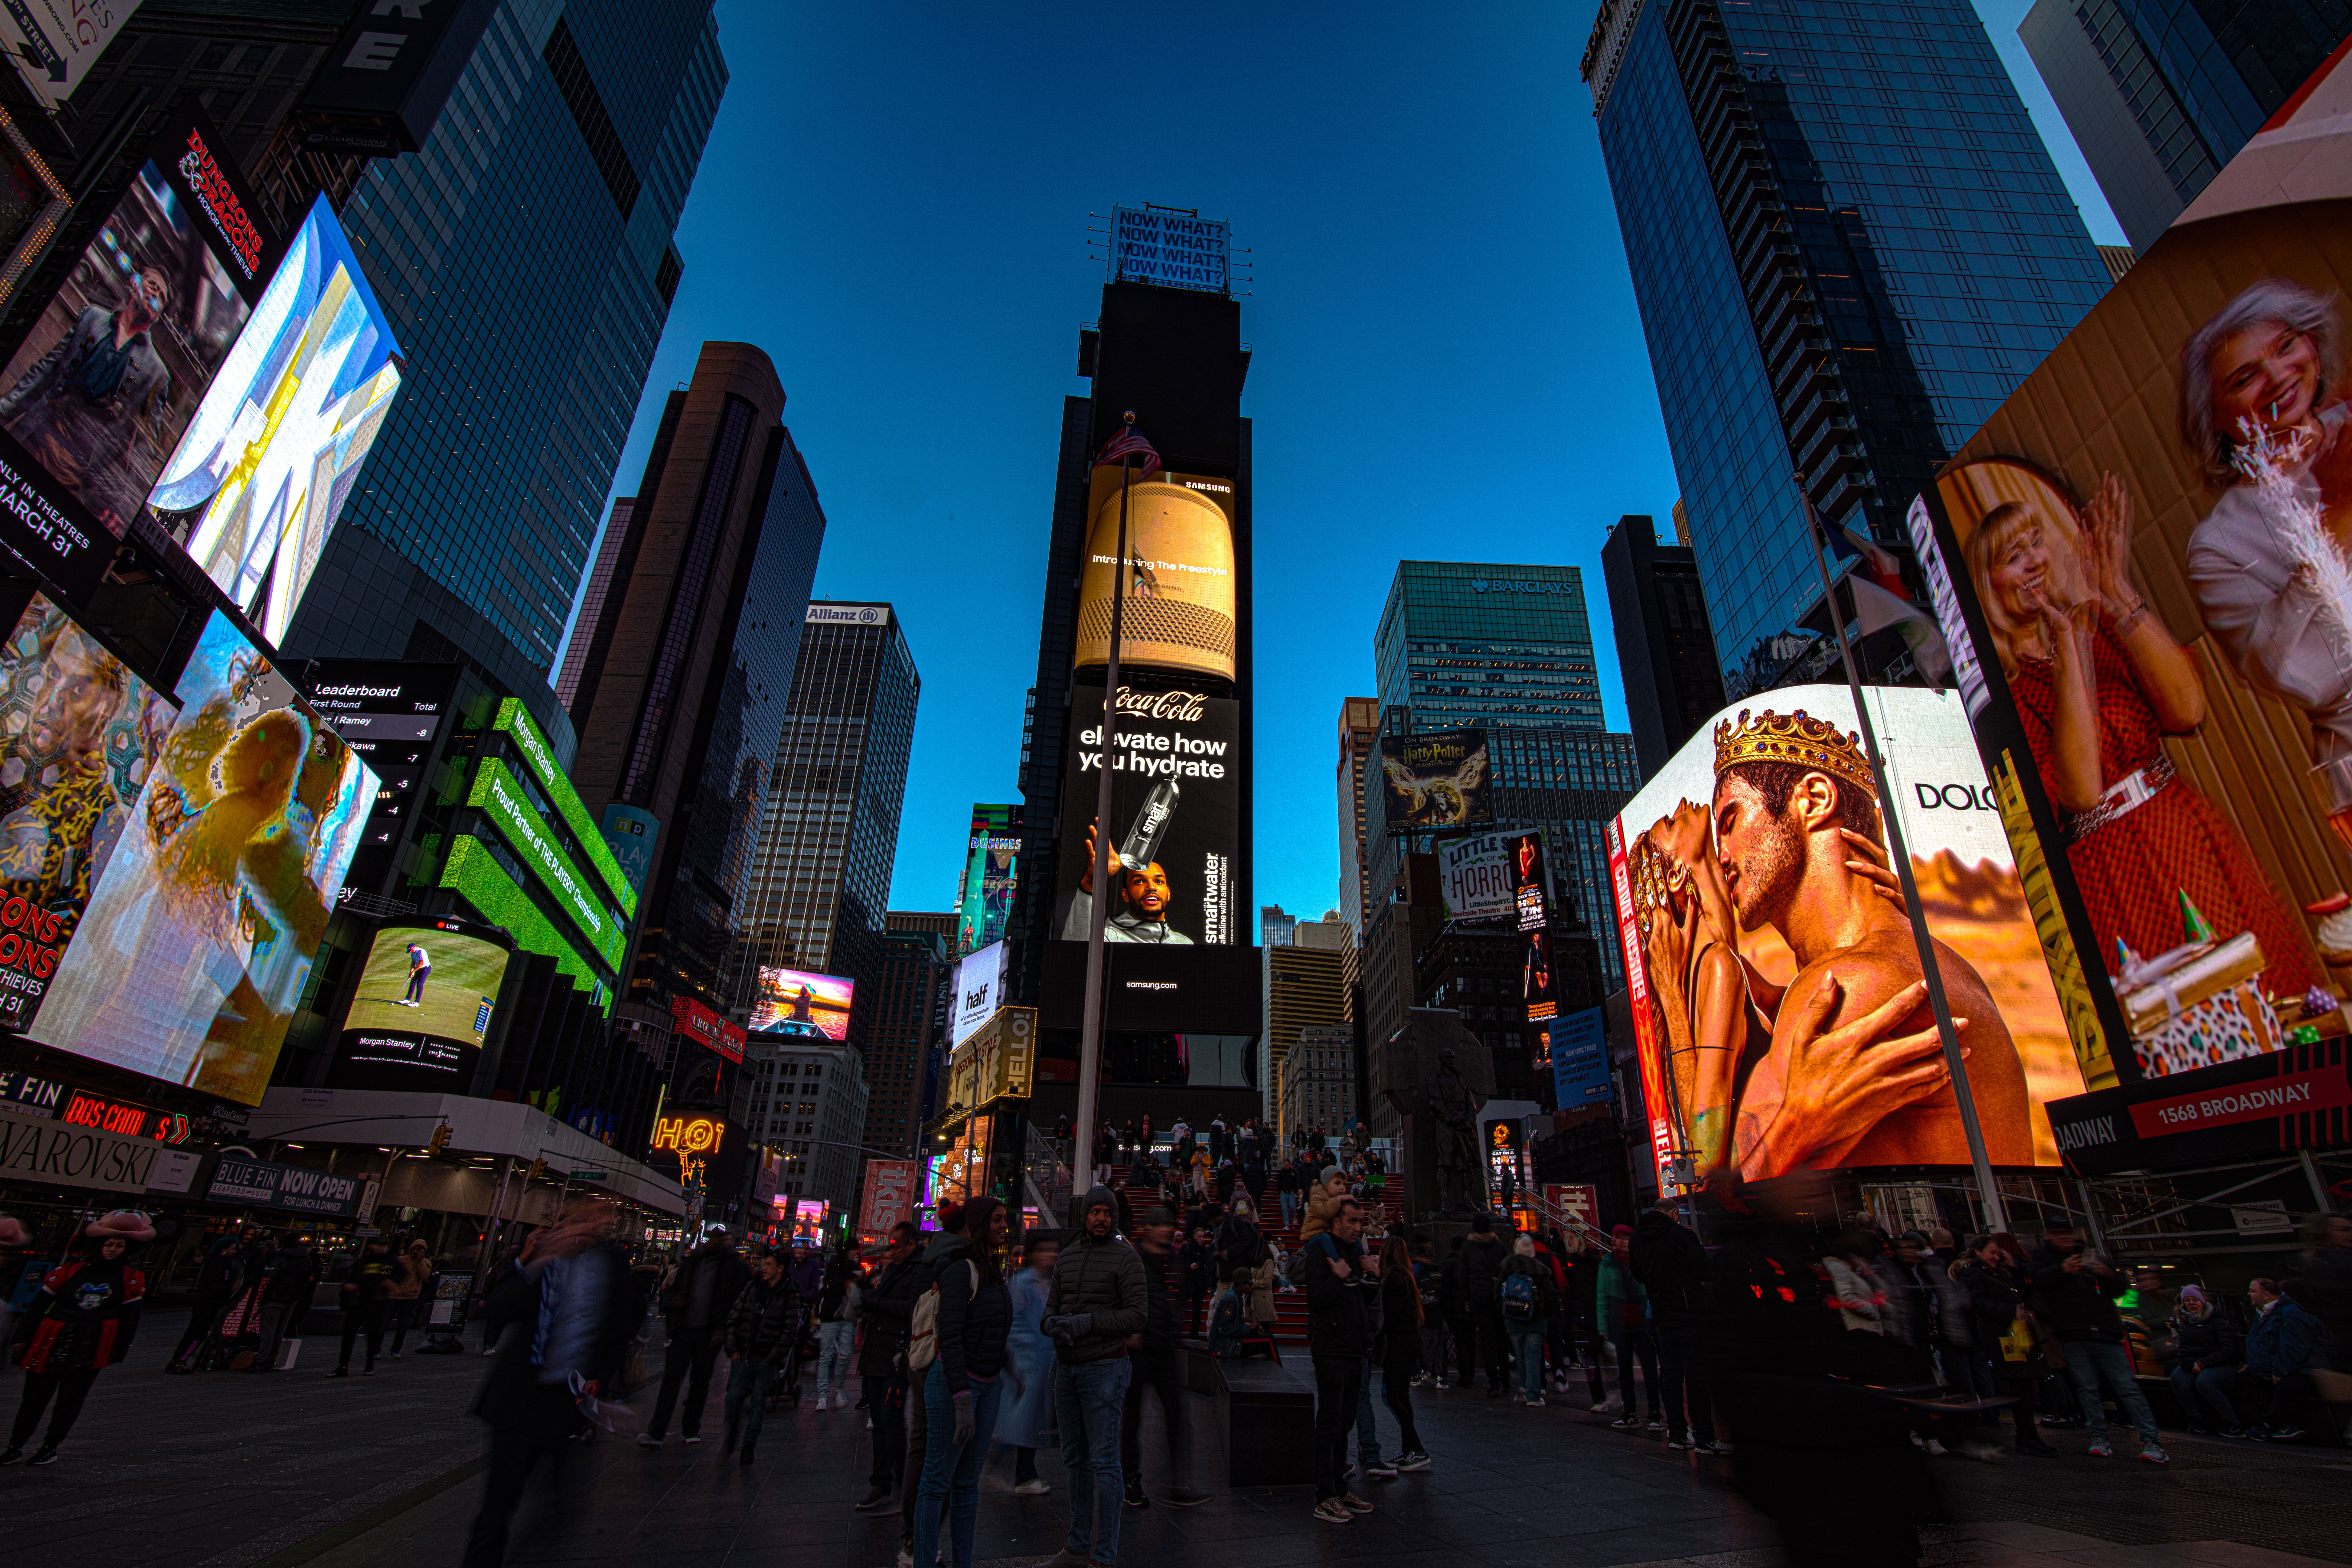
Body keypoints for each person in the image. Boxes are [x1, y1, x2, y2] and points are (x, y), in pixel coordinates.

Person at [1965, 483, 2320, 1000]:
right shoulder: (2006, 697)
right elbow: (2080, 791)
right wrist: (2069, 645)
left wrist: (2115, 589)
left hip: (2182, 829)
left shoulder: (2104, 629)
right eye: (2012, 557)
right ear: (1986, 586)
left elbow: (2187, 708)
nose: (2033, 562)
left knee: (2263, 983)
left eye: (2035, 543)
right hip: (2108, 868)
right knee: (2177, 1015)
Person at [1708, 709, 2033, 1172]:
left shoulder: (1843, 984)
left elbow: (1720, 1199)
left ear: (1815, 799)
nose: (1721, 856)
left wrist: (1796, 1124)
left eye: (1730, 821)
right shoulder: (1933, 962)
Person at [2180, 279, 2352, 828]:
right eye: (2244, 378)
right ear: (2217, 421)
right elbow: (2298, 676)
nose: (2277, 376)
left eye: (2284, 347)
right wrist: (2333, 522)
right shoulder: (2219, 543)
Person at [462, 1197, 637, 1568]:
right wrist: (530, 1261)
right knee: (497, 1508)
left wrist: (600, 1390)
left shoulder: (613, 1263)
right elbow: (493, 1310)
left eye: (600, 1218)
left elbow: (618, 1327)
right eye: (583, 1217)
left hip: (569, 1404)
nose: (591, 1225)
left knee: (565, 1503)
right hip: (520, 1402)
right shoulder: (544, 1257)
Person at [0, 265, 173, 530]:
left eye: (161, 296)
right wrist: (5, 409)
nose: (155, 293)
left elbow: (144, 448)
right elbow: (46, 371)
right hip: (38, 437)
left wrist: (122, 509)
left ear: (158, 315)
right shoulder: (91, 317)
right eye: (152, 284)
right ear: (134, 282)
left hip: (78, 472)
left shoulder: (156, 373)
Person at [1041, 1187, 1146, 1568]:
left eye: (1106, 1212)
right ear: (1084, 1215)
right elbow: (1053, 1303)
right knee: (1074, 1458)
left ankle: (1105, 1554)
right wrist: (1050, 1323)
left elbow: (1136, 1316)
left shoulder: (1126, 1259)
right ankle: (1077, 1542)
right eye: (1094, 1211)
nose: (1100, 1218)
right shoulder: (1067, 1257)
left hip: (1105, 1366)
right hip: (1066, 1367)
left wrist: (1087, 1323)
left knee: (1104, 1459)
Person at [4, 1211, 150, 1465]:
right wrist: (22, 1338)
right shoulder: (69, 1271)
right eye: (109, 1244)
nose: (113, 1249)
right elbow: (37, 1307)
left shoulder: (130, 1278)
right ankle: (16, 1446)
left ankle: (50, 1447)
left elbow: (131, 1317)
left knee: (71, 1399)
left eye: (119, 1245)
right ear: (98, 1245)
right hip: (52, 1338)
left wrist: (121, 1347)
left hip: (92, 1344)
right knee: (34, 1398)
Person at [915, 1197, 1013, 1568]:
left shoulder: (992, 1267)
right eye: (998, 1220)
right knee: (936, 1481)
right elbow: (950, 1335)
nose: (1005, 1226)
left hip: (988, 1385)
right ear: (980, 1224)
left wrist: (1004, 1368)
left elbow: (992, 1326)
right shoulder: (961, 1270)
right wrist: (960, 1397)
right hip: (956, 1385)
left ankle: (963, 1561)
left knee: (967, 1482)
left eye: (1006, 1220)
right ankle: (924, 1560)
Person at [2027, 1223, 2167, 1462]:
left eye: (2066, 1233)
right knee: (2087, 1389)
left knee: (2126, 1388)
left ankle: (2152, 1440)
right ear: (2048, 1236)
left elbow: (2118, 1287)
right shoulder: (2043, 1259)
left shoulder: (2090, 1254)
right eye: (2057, 1233)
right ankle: (2099, 1437)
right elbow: (2037, 1281)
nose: (2064, 1238)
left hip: (2104, 1331)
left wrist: (2108, 1274)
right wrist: (2062, 1269)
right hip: (2074, 1334)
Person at [1118, 1204, 1205, 1508]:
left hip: (1165, 1348)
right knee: (1132, 1418)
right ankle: (1130, 1480)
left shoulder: (1175, 1261)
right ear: (1148, 1229)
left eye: (1170, 1224)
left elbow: (1181, 1296)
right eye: (1161, 1224)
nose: (1168, 1229)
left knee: (1176, 1414)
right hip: (1138, 1349)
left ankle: (1178, 1483)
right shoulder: (1135, 1260)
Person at [1303, 1195, 1377, 1523]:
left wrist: (1373, 1276)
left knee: (1345, 1421)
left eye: (1360, 1222)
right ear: (1336, 1222)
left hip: (1353, 1347)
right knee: (1330, 1422)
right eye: (1352, 1221)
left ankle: (1338, 1485)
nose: (1358, 1227)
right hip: (1331, 1347)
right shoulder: (1322, 1250)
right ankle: (1324, 1495)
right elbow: (1315, 1300)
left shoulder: (1355, 1251)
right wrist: (1336, 1277)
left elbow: (1360, 1297)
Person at [640, 1228, 749, 1446]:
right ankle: (657, 1430)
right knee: (672, 1378)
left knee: (700, 1381)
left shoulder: (732, 1267)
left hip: (709, 1334)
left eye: (719, 1239)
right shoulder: (694, 1262)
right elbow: (674, 1289)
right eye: (711, 1239)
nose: (712, 1243)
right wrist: (673, 1303)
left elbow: (737, 1300)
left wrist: (724, 1329)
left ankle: (691, 1428)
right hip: (684, 1329)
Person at [1955, 1236, 2056, 1456]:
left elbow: (2025, 1293)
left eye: (1998, 1253)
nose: (1996, 1256)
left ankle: (2028, 1436)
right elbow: (1977, 1304)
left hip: (2016, 1334)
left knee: (2026, 1384)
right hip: (2002, 1336)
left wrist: (2016, 1269)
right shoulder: (1973, 1273)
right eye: (1992, 1252)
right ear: (1978, 1252)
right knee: (2020, 1384)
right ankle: (2027, 1437)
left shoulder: (1998, 1273)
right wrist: (2012, 1312)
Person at [1632, 1197, 1717, 1450]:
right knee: (1695, 1376)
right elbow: (1702, 1270)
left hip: (1659, 1313)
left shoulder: (1638, 1239)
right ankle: (1704, 1436)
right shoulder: (1681, 1235)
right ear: (1674, 1214)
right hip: (1688, 1312)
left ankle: (1677, 1433)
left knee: (1670, 1374)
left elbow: (1638, 1274)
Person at [855, 1223, 924, 1512]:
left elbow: (913, 1309)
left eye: (896, 1245)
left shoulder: (919, 1269)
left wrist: (877, 1302)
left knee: (890, 1417)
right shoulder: (895, 1269)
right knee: (880, 1420)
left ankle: (897, 1482)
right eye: (891, 1246)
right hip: (877, 1353)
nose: (892, 1250)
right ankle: (883, 1482)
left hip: (897, 1355)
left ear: (911, 1244)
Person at [721, 1248, 798, 1464]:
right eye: (764, 1264)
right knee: (732, 1398)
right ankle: (733, 1430)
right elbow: (734, 1317)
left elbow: (789, 1330)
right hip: (744, 1355)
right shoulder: (752, 1288)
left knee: (758, 1402)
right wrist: (732, 1348)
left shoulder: (789, 1295)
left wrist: (772, 1358)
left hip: (766, 1359)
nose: (763, 1268)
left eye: (769, 1265)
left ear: (780, 1269)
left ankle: (749, 1445)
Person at [1061, 821, 1196, 943]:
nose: (1151, 887)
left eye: (1159, 882)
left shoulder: (1184, 944)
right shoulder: (1108, 938)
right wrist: (1091, 882)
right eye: (1139, 882)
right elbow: (1075, 952)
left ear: (1168, 894)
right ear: (1125, 895)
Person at [999, 1230, 1059, 1494]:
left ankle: (1023, 1471)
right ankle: (1023, 1475)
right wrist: (1026, 1353)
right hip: (1029, 1362)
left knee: (1032, 1419)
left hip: (1044, 1360)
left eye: (1053, 1250)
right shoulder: (1023, 1282)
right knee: (1027, 1418)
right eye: (1045, 1250)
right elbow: (1015, 1322)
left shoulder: (1048, 1282)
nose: (1050, 1255)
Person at [2240, 1276, 2331, 1442]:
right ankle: (2283, 1425)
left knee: (2285, 1385)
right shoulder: (2262, 1315)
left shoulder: (2292, 1314)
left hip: (2306, 1370)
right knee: (2246, 1378)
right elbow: (2260, 1344)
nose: (2249, 1294)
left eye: (2253, 1291)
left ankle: (2269, 1426)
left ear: (2267, 1296)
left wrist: (2280, 1371)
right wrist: (2252, 1364)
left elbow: (2293, 1347)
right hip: (2284, 1367)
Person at [1375, 1232, 1430, 1469]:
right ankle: (1409, 1448)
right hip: (1409, 1340)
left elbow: (1387, 1314)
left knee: (1391, 1396)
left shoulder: (1394, 1277)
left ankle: (1417, 1448)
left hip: (1398, 1342)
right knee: (1402, 1397)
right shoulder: (1406, 1275)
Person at [1599, 1225, 1660, 1431]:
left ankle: (1654, 1413)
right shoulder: (1608, 1262)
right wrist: (1603, 1324)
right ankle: (1630, 1412)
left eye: (1623, 1238)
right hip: (1621, 1323)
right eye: (1616, 1237)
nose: (1618, 1241)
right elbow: (1602, 1295)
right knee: (1625, 1372)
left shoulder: (1640, 1259)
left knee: (1650, 1371)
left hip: (1642, 1322)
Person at [2164, 1285, 2244, 1436]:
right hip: (2198, 1365)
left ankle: (2234, 1423)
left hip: (2224, 1366)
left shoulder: (2218, 1322)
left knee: (2205, 1382)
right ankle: (2196, 1420)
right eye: (2187, 1300)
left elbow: (2230, 1351)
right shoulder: (2185, 1324)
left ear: (2203, 1303)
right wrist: (2189, 1364)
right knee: (2178, 1378)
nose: (2191, 1303)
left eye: (2195, 1300)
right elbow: (2184, 1351)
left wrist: (2203, 1363)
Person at [171, 1234, 245, 1372]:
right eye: (232, 1249)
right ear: (223, 1250)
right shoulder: (218, 1264)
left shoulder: (222, 1264)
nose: (235, 1252)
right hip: (208, 1303)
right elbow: (213, 1285)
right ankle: (179, 1361)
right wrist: (231, 1288)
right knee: (196, 1334)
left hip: (210, 1303)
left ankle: (179, 1360)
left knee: (196, 1333)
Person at [1498, 1234, 1557, 1406]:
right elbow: (1552, 1295)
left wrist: (1505, 1313)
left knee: (1520, 1355)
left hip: (1513, 1320)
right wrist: (1545, 1314)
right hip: (1535, 1320)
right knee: (1533, 1356)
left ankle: (1523, 1389)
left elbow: (1496, 1293)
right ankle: (1533, 1396)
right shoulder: (1540, 1270)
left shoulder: (1507, 1270)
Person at [1458, 1213, 1509, 1397]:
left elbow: (1463, 1275)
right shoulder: (1499, 1245)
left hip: (1479, 1294)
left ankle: (1493, 1380)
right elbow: (1506, 1269)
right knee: (1502, 1336)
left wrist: (1467, 1298)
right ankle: (1506, 1377)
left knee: (1487, 1338)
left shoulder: (1467, 1247)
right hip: (1498, 1294)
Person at [331, 1236, 397, 1377]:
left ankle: (370, 1365)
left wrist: (392, 1282)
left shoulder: (390, 1260)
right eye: (378, 1245)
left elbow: (401, 1274)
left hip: (377, 1303)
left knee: (373, 1335)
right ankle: (343, 1366)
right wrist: (348, 1286)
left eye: (383, 1246)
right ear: (370, 1247)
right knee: (349, 1335)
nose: (381, 1248)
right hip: (359, 1302)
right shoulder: (363, 1261)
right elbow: (352, 1277)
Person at [252, 1232, 317, 1372]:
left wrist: (263, 1300)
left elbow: (271, 1280)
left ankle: (260, 1361)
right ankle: (271, 1361)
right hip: (293, 1299)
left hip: (275, 1298)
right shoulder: (306, 1258)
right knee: (280, 1330)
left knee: (268, 1331)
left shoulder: (280, 1258)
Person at [814, 1247, 858, 1411]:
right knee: (826, 1356)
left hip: (846, 1317)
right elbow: (831, 1285)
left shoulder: (853, 1267)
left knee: (846, 1355)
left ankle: (838, 1388)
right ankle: (822, 1396)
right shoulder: (835, 1266)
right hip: (829, 1316)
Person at [384, 1240, 432, 1358]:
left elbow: (425, 1276)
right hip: (394, 1295)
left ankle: (396, 1350)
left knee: (403, 1325)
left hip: (411, 1297)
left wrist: (420, 1262)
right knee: (384, 1323)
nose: (416, 1252)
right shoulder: (401, 1260)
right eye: (414, 1249)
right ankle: (376, 1350)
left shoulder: (426, 1262)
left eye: (419, 1250)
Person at [1208, 1266, 1253, 1358]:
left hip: (1229, 1343)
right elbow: (1224, 1328)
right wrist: (1248, 1329)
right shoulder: (1232, 1298)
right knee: (1269, 1341)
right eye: (1250, 1284)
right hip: (1225, 1347)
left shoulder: (1237, 1296)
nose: (1253, 1287)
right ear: (1241, 1285)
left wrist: (1250, 1327)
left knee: (1266, 1338)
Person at [402, 940, 432, 1005]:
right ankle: (408, 999)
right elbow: (413, 963)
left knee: (420, 984)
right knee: (413, 982)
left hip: (426, 969)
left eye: (411, 950)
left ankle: (417, 1002)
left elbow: (421, 964)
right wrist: (411, 972)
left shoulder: (421, 952)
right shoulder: (413, 954)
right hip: (418, 969)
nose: (411, 952)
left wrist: (414, 971)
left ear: (414, 948)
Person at [1276, 1160, 1302, 1229]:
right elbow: (1278, 1182)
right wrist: (1280, 1190)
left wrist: (1295, 1190)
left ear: (1290, 1164)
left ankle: (1293, 1217)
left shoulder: (1294, 1173)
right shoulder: (1281, 1173)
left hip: (1291, 1192)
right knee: (1284, 1209)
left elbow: (1297, 1182)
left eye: (1287, 1165)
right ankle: (1287, 1224)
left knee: (1293, 1207)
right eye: (1285, 1165)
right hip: (1284, 1193)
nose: (1286, 1166)